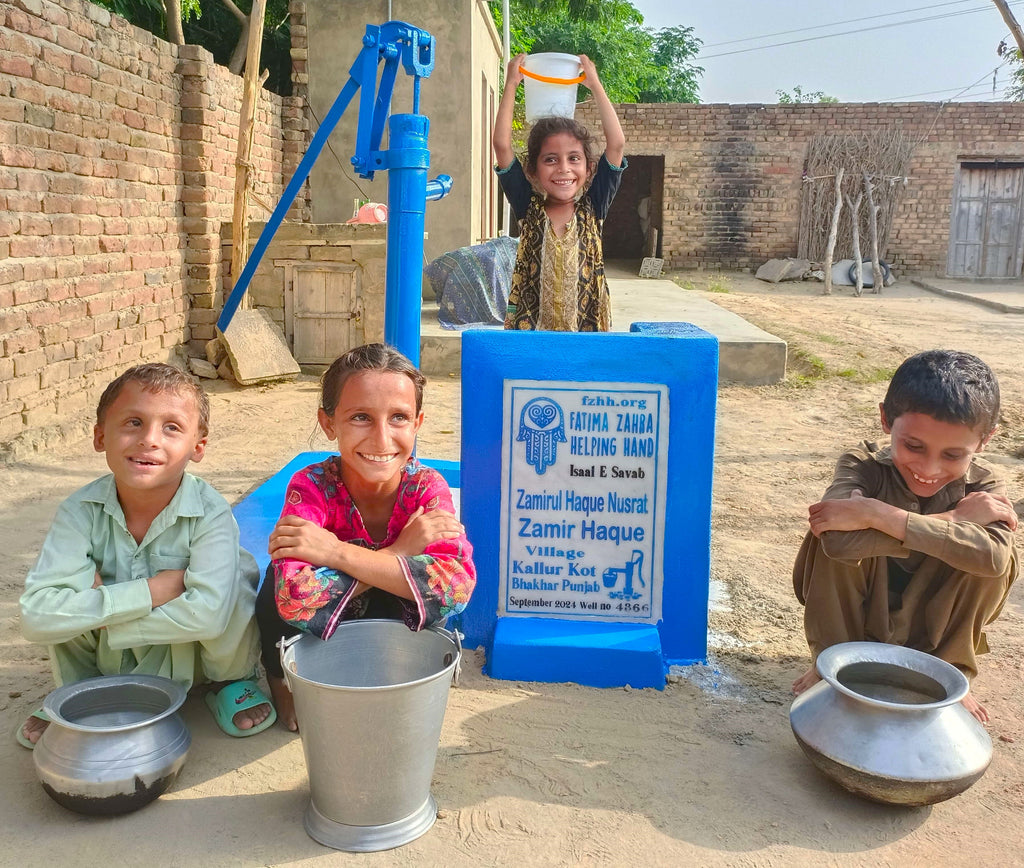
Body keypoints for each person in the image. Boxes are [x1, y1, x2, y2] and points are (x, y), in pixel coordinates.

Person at [19, 364, 274, 747]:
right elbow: (36, 617)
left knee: (235, 576)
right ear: (100, 436)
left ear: (197, 446)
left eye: (171, 427)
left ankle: (228, 681)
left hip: (193, 655)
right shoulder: (79, 511)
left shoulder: (210, 511)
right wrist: (152, 592)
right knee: (63, 591)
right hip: (115, 656)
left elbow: (208, 616)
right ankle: (80, 691)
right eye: (133, 422)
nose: (149, 440)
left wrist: (104, 617)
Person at [257, 343, 476, 731]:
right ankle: (280, 678)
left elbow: (454, 589)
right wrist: (400, 552)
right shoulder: (311, 486)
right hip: (329, 623)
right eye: (361, 417)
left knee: (404, 594)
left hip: (388, 618)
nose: (381, 438)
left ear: (418, 424)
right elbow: (295, 599)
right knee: (273, 588)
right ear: (328, 424)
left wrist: (335, 552)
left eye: (398, 418)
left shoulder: (427, 488)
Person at [791, 350, 1019, 723]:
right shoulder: (861, 465)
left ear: (984, 440)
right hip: (860, 619)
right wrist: (955, 519)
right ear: (885, 419)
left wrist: (876, 516)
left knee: (996, 556)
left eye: (953, 454)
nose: (929, 468)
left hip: (934, 623)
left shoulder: (984, 484)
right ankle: (833, 663)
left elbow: (992, 559)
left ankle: (950, 673)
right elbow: (837, 541)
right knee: (830, 539)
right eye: (913, 446)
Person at [493, 53, 626, 331]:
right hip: (531, 336)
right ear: (532, 170)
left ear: (589, 169)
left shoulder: (594, 207)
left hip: (586, 336)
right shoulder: (527, 208)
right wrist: (511, 85)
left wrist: (595, 84)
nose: (563, 169)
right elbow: (502, 146)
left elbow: (616, 144)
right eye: (550, 159)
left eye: (573, 158)